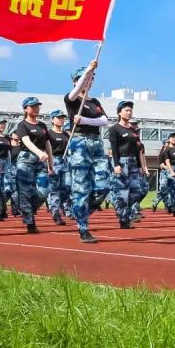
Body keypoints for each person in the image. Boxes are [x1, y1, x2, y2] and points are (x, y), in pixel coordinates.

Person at [64, 60, 108, 243]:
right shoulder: (72, 99)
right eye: (87, 78)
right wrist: (88, 70)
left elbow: (104, 121)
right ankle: (83, 227)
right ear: (76, 81)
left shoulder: (95, 102)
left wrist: (85, 120)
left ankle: (80, 210)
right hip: (79, 143)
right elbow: (75, 92)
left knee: (104, 185)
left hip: (96, 143)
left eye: (92, 78)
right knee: (81, 188)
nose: (90, 81)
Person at [13, 96, 53, 234]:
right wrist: (38, 152)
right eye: (33, 106)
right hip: (26, 160)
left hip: (41, 161)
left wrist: (51, 164)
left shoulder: (42, 126)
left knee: (43, 191)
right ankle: (30, 222)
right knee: (25, 192)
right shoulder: (22, 125)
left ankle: (28, 209)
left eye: (37, 106)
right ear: (25, 109)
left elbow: (47, 144)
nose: (36, 108)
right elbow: (26, 141)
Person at [107, 101, 148, 228]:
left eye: (130, 110)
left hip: (133, 162)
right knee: (123, 192)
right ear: (119, 112)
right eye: (126, 110)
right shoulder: (114, 129)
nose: (129, 112)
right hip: (122, 161)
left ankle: (119, 205)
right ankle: (124, 219)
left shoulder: (133, 131)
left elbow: (137, 149)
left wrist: (140, 166)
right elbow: (114, 148)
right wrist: (116, 164)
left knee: (137, 191)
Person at [45, 109, 70, 226]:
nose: (61, 120)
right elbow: (45, 149)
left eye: (62, 118)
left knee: (66, 188)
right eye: (58, 118)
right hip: (53, 161)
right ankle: (56, 213)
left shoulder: (66, 134)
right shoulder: (49, 134)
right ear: (52, 120)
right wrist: (48, 166)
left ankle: (63, 207)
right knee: (54, 190)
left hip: (65, 162)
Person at [0, 118, 13, 221]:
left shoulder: (7, 138)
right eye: (0, 123)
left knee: (8, 189)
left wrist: (9, 164)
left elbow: (9, 152)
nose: (2, 125)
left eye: (4, 124)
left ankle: (2, 206)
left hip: (6, 163)